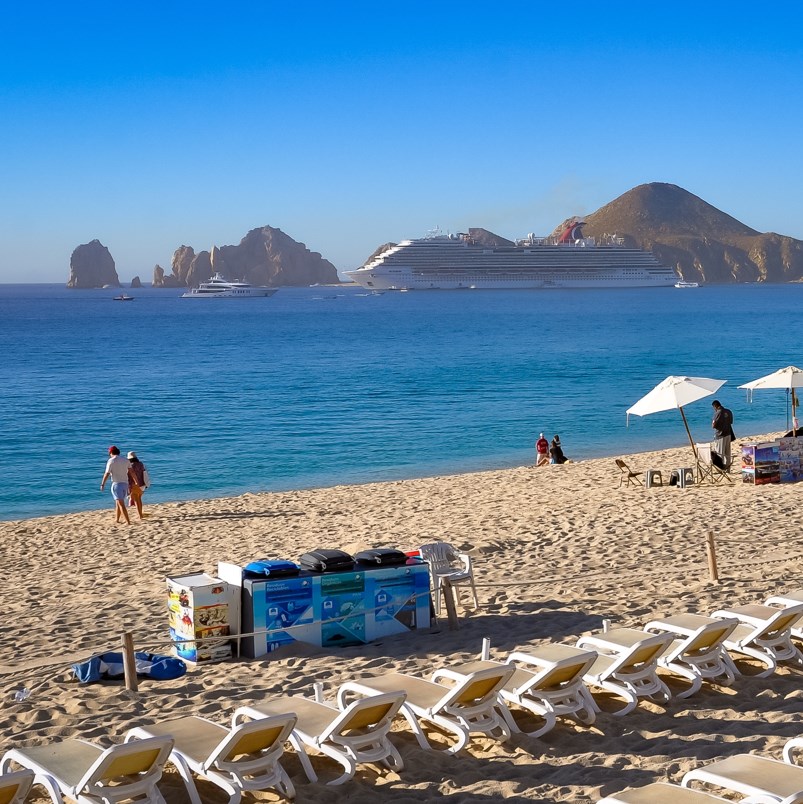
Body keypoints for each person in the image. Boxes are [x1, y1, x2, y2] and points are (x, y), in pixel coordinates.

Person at [100, 445, 130, 524]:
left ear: (110, 452)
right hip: (125, 484)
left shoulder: (111, 461)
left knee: (121, 504)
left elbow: (107, 473)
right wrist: (136, 481)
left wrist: (102, 484)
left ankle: (128, 521)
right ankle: (117, 519)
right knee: (118, 503)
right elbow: (131, 472)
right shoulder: (125, 460)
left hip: (117, 484)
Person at [711, 400, 735, 471]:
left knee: (720, 453)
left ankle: (721, 469)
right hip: (728, 433)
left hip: (720, 435)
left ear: (715, 406)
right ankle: (728, 468)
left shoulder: (717, 413)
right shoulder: (729, 411)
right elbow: (730, 422)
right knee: (727, 452)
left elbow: (713, 425)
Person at [126, 451, 148, 520]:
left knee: (136, 500)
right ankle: (140, 514)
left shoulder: (130, 466)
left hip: (135, 485)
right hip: (142, 484)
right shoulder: (141, 464)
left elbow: (129, 476)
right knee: (139, 499)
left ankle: (140, 515)